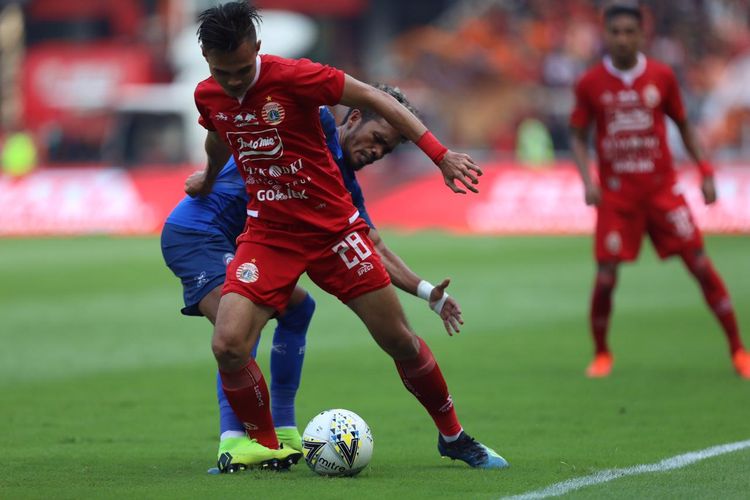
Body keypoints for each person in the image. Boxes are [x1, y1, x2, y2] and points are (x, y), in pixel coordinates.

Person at [192, 1, 508, 472]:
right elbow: (219, 133)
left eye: (240, 70)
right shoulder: (209, 94)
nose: (233, 82)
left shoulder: (296, 76)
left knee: (399, 339)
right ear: (207, 61)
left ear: (257, 48)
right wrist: (209, 175)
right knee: (228, 345)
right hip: (268, 234)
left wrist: (439, 155)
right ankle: (266, 445)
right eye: (222, 72)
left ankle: (453, 436)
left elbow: (378, 100)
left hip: (333, 231)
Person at [161, 87, 466, 471]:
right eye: (377, 140)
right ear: (353, 119)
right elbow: (246, 117)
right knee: (236, 329)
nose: (377, 153)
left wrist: (428, 294)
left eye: (386, 150)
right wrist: (208, 174)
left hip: (235, 236)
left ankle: (285, 432)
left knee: (298, 309)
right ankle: (235, 443)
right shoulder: (312, 127)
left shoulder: (341, 182)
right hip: (198, 233)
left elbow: (374, 247)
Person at [569, 2, 750, 379]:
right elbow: (577, 134)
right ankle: (602, 353)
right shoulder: (590, 83)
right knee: (605, 277)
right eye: (615, 32)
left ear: (641, 34)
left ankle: (737, 349)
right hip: (617, 197)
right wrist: (588, 180)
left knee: (700, 265)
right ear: (606, 35)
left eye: (628, 32)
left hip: (661, 192)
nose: (621, 39)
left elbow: (683, 125)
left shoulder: (661, 77)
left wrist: (705, 170)